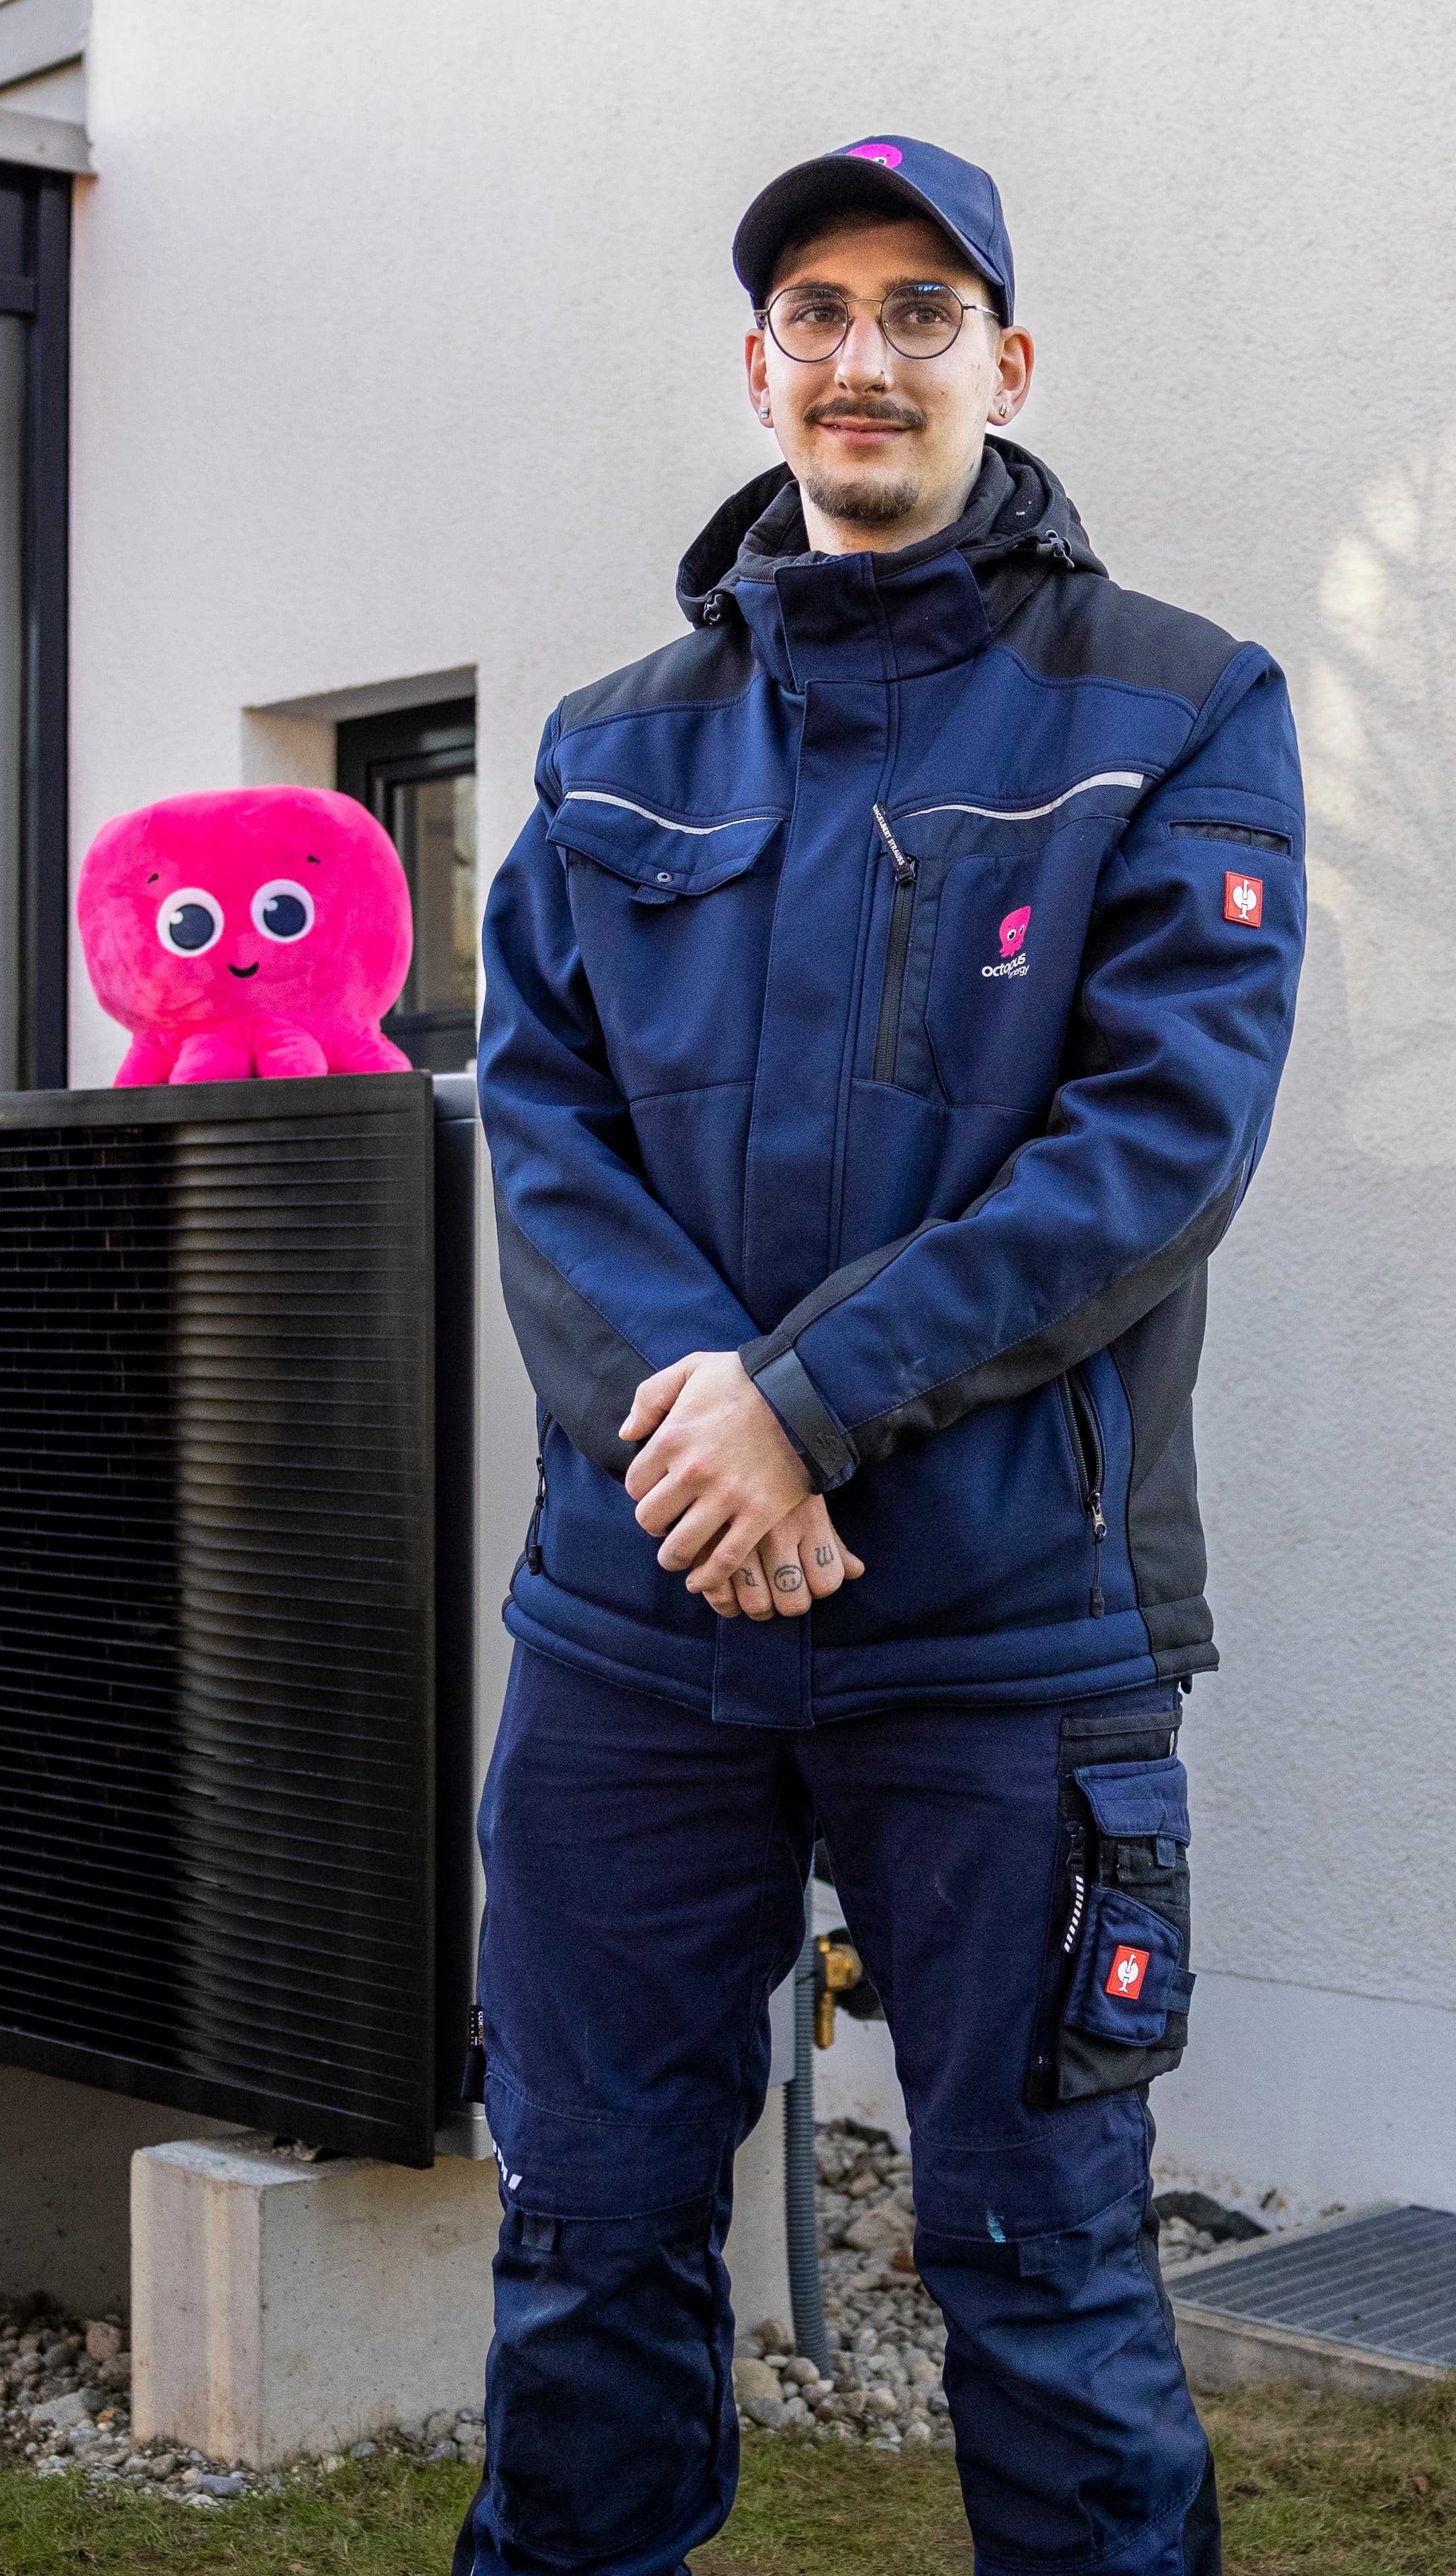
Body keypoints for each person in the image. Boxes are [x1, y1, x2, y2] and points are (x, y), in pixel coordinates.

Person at [464, 137, 1301, 2575]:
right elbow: (547, 1134)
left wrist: (802, 1409)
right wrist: (713, 1432)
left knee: (1041, 2266)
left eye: (921, 312)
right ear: (762, 370)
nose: (866, 356)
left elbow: (1153, 1150)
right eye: (819, 313)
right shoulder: (611, 744)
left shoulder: (1178, 704)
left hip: (1002, 1639)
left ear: (1002, 364)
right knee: (588, 2240)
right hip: (642, 1628)